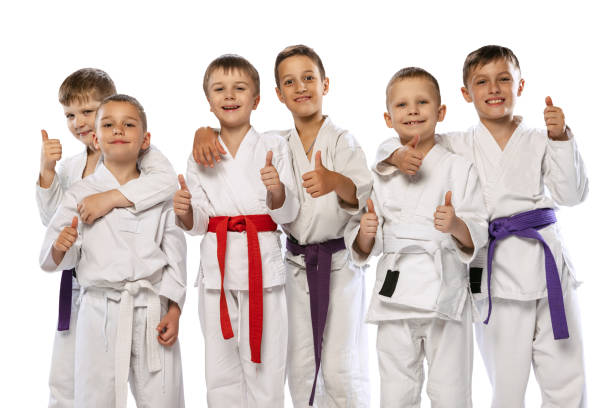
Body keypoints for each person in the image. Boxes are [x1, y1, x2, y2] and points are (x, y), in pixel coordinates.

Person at [376, 45, 588, 407]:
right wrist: (395, 155)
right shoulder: (456, 144)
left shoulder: (541, 138)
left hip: (548, 266)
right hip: (496, 274)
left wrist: (561, 137)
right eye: (482, 81)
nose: (494, 88)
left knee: (567, 377)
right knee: (506, 384)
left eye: (504, 79)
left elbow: (571, 194)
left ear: (520, 86)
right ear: (465, 93)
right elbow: (406, 139)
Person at [346, 67, 488, 407]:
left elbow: (477, 231)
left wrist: (455, 225)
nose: (412, 110)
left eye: (422, 102)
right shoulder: (381, 171)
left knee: (451, 391)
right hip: (394, 294)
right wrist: (366, 234)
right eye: (402, 105)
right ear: (388, 117)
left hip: (445, 291)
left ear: (440, 112)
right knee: (396, 391)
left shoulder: (458, 167)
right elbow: (368, 243)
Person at [36, 68, 177, 408]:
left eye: (88, 112)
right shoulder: (70, 166)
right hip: (82, 281)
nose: (79, 122)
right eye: (70, 115)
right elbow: (53, 221)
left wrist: (109, 198)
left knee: (142, 383)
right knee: (69, 379)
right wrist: (46, 173)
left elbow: (167, 183)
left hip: (127, 283)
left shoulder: (140, 152)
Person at [174, 54, 299, 408]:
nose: (230, 96)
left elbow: (288, 214)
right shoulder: (201, 151)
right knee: (220, 372)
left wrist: (276, 189)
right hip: (217, 273)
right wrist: (184, 213)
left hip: (265, 274)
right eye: (220, 89)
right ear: (209, 102)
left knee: (267, 369)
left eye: (239, 88)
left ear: (256, 100)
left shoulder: (273, 145)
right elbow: (199, 224)